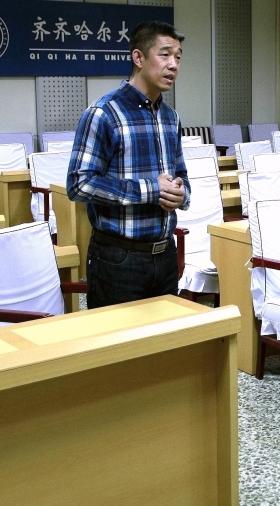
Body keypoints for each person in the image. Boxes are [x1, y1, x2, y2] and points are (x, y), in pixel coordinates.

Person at [67, 21, 190, 308]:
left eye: (178, 57)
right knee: (118, 337)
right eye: (165, 54)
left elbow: (181, 174)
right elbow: (79, 184)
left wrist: (182, 193)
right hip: (119, 258)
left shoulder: (170, 117)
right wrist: (151, 190)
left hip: (165, 253)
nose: (173, 65)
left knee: (167, 336)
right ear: (138, 58)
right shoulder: (103, 113)